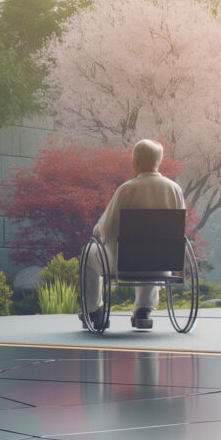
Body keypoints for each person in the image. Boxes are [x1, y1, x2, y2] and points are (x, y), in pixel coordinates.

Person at [81, 139, 185, 329]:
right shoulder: (174, 189)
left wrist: (97, 231)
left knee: (89, 253)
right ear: (159, 162)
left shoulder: (127, 189)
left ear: (135, 162)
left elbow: (106, 228)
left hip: (124, 266)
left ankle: (93, 310)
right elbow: (179, 230)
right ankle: (143, 310)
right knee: (152, 251)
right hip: (162, 266)